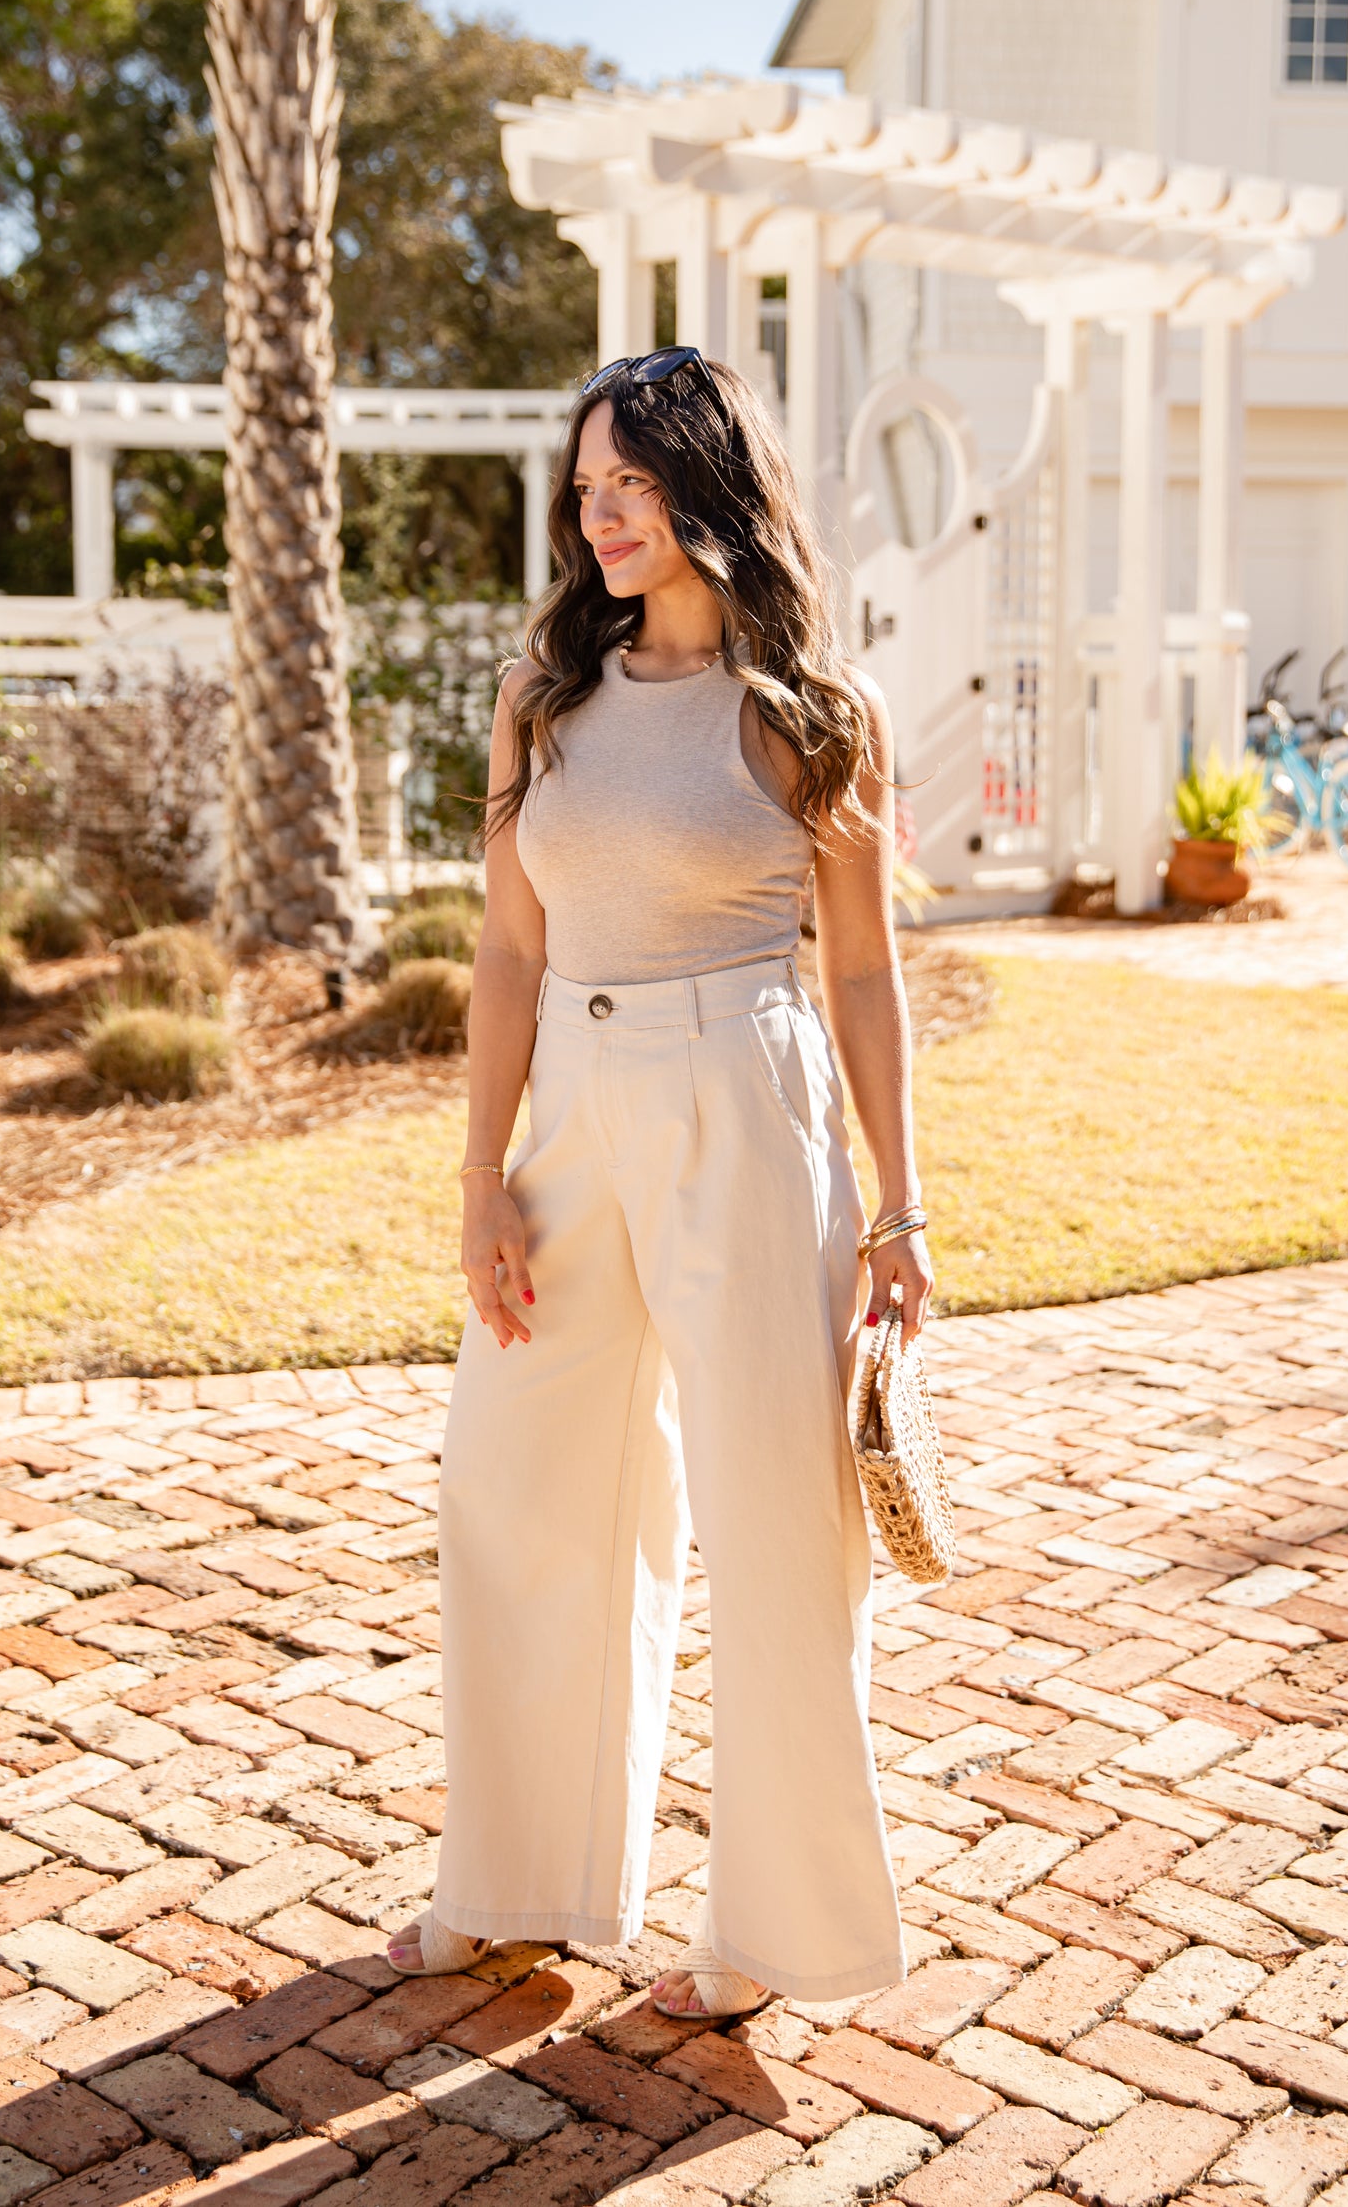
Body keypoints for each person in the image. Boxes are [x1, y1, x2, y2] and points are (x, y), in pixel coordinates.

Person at [386, 346, 934, 2019]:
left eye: (631, 482)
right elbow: (507, 946)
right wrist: (481, 1175)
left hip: (746, 1096)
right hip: (573, 1102)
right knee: (513, 1479)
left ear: (709, 484)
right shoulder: (542, 697)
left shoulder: (813, 715)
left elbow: (861, 972)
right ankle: (517, 1881)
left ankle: (777, 1930)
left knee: (777, 1521)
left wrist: (901, 1208)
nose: (602, 517)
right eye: (586, 489)